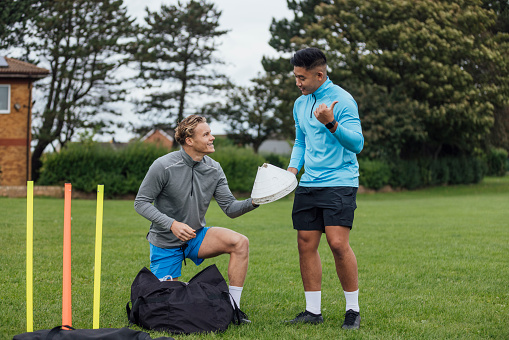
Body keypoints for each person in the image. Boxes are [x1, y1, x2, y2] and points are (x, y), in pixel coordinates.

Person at [134, 114, 258, 324]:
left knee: (240, 242)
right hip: (165, 242)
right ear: (189, 140)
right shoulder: (163, 166)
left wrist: (256, 200)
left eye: (211, 133)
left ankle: (234, 309)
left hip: (196, 236)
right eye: (206, 134)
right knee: (166, 305)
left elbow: (230, 208)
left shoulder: (214, 168)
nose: (212, 138)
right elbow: (141, 202)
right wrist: (171, 224)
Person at [285, 47, 364, 329]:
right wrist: (293, 170)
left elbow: (357, 144)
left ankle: (352, 311)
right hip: (308, 184)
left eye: (302, 77)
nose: (298, 82)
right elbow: (301, 142)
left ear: (319, 75)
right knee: (305, 244)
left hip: (340, 182)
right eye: (295, 76)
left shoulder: (342, 100)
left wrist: (331, 123)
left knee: (338, 244)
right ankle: (312, 311)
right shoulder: (300, 103)